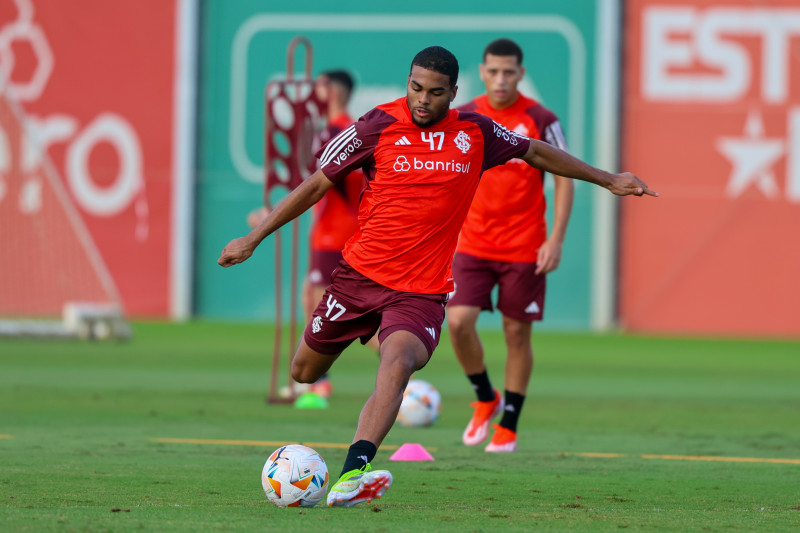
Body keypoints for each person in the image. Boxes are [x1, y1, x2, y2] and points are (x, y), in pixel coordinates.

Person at [218, 45, 656, 508]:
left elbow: (536, 152)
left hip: (420, 290)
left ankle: (353, 473)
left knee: (399, 363)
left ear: (453, 93)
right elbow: (316, 183)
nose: (423, 100)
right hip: (357, 280)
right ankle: (373, 335)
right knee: (304, 372)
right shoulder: (376, 125)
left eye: (435, 92)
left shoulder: (476, 131)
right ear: (407, 82)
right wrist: (254, 238)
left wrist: (608, 178)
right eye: (416, 88)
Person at [447, 38, 575, 453]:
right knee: (458, 322)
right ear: (482, 72)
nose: (501, 80)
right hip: (472, 241)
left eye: (509, 72)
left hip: (525, 245)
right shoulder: (464, 115)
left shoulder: (541, 118)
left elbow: (565, 176)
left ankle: (510, 424)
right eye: (493, 72)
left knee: (516, 334)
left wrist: (555, 239)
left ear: (521, 74)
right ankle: (485, 397)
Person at [247, 70, 374, 398]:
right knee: (314, 299)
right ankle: (328, 378)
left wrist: (270, 216)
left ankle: (322, 382)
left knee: (327, 306)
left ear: (330, 92)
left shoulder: (339, 131)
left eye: (317, 88)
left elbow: (322, 184)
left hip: (338, 233)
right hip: (333, 231)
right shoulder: (339, 131)